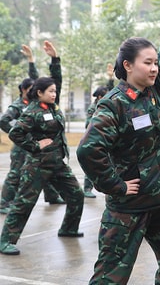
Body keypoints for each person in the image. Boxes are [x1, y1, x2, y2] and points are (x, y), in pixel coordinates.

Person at [76, 0, 160, 284]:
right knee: (110, 278)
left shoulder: (154, 91)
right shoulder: (114, 105)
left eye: (155, 64)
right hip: (128, 209)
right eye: (147, 63)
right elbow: (88, 150)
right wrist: (114, 185)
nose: (155, 69)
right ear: (128, 65)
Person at [0, 40, 85, 256]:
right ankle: (5, 240)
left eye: (56, 91)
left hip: (57, 163)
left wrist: (54, 59)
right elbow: (15, 133)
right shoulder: (33, 111)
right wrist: (34, 145)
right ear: (39, 93)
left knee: (76, 195)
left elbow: (55, 80)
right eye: (50, 91)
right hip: (38, 165)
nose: (55, 93)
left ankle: (68, 228)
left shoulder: (52, 106)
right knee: (23, 204)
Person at [83, 63, 115, 198]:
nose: (108, 96)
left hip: (109, 139)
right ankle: (87, 188)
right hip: (96, 139)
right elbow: (88, 124)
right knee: (92, 164)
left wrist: (110, 78)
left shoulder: (107, 104)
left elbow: (112, 92)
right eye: (105, 95)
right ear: (99, 97)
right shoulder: (93, 108)